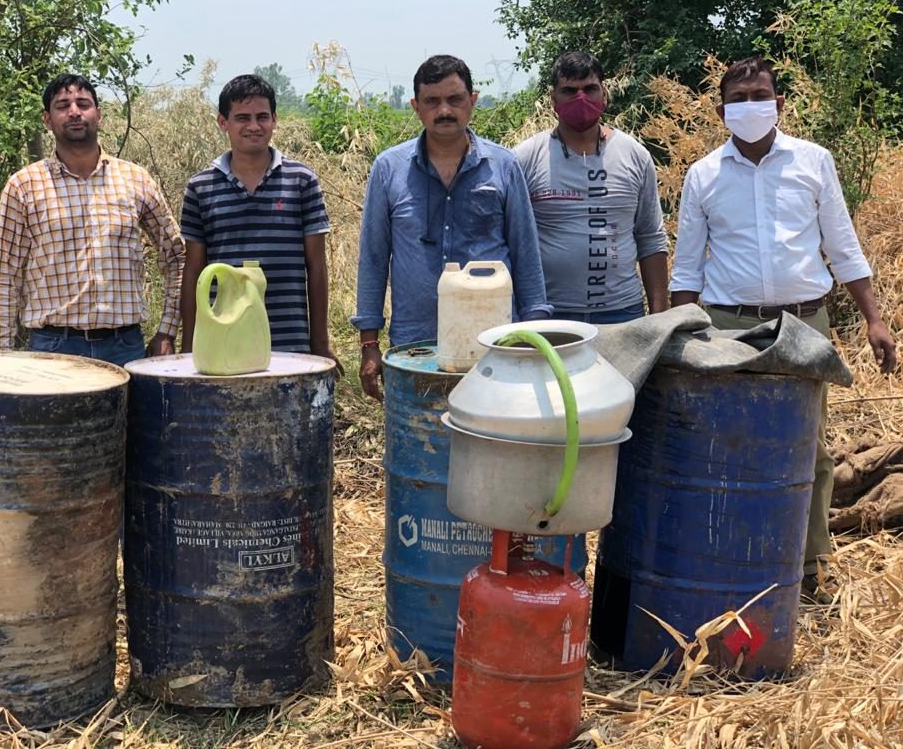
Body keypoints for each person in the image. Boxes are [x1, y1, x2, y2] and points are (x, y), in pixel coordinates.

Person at [670, 55, 898, 604]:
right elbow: (688, 267)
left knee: (809, 447)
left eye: (760, 95)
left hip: (804, 323)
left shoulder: (813, 162)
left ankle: (812, 565)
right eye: (738, 98)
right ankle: (734, 557)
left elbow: (842, 246)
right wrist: (680, 334)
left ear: (779, 103)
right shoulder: (704, 175)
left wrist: (875, 318)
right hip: (728, 327)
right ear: (721, 111)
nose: (750, 106)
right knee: (728, 445)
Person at [353, 54, 551, 400]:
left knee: (492, 431)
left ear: (472, 101)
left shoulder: (503, 166)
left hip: (494, 341)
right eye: (432, 101)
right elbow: (373, 259)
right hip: (416, 345)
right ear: (416, 107)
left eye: (454, 99)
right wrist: (369, 344)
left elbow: (526, 254)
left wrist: (534, 334)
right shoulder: (389, 169)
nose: (444, 110)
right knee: (420, 431)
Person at [0, 74, 185, 366]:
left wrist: (167, 331)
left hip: (125, 347)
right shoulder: (24, 186)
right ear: (47, 119)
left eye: (83, 104)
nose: (74, 112)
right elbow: (6, 276)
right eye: (62, 106)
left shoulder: (135, 179)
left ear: (99, 115)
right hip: (53, 347)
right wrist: (2, 357)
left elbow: (177, 257)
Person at [180, 74, 340, 370]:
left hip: (290, 343)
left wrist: (320, 342)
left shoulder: (301, 180)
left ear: (274, 119)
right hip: (223, 343)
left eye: (262, 117)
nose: (254, 126)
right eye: (242, 118)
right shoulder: (201, 187)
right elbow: (193, 272)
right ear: (223, 122)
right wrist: (190, 348)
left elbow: (316, 266)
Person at [515, 52, 669, 323]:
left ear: (604, 94)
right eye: (569, 91)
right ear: (553, 99)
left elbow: (650, 238)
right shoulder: (525, 158)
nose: (580, 99)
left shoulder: (634, 155)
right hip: (550, 314)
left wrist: (659, 320)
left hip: (622, 312)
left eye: (589, 89)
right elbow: (511, 240)